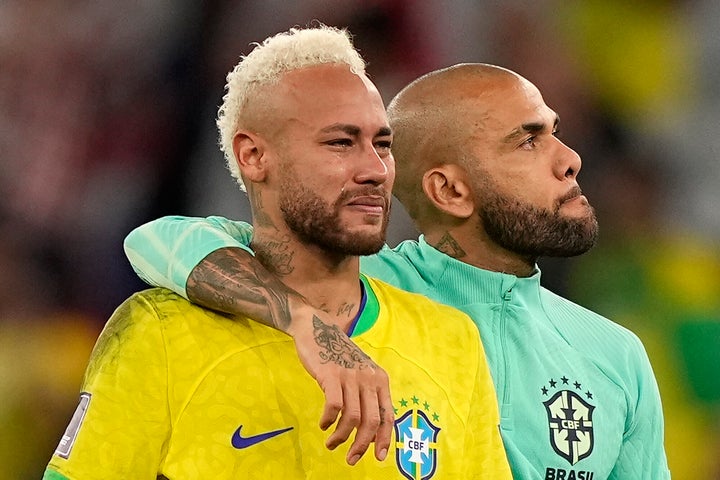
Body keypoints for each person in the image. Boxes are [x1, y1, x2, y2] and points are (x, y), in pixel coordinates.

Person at [124, 61, 672, 479]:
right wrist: (307, 323)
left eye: (555, 131)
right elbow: (158, 239)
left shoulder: (614, 356)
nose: (570, 158)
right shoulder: (359, 296)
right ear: (450, 190)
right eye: (529, 140)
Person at [44, 26, 511, 479]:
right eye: (340, 142)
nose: (375, 169)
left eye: (383, 144)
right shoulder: (161, 333)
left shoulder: (452, 341)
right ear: (252, 156)